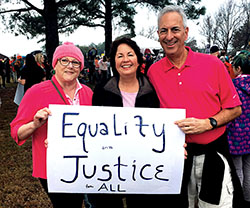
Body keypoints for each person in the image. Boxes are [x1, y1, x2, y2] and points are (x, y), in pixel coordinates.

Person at [147, 5, 244, 208]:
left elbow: (235, 109)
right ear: (158, 34)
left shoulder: (213, 64)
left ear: (186, 32)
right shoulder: (153, 72)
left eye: (175, 29)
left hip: (213, 155)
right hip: (175, 160)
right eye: (163, 31)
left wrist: (208, 123)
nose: (169, 36)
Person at [10, 42, 93, 208]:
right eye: (64, 60)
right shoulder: (36, 92)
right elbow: (16, 132)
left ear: (81, 67)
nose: (70, 66)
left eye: (75, 62)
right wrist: (34, 124)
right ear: (55, 64)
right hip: (51, 168)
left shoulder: (88, 93)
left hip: (84, 164)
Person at [88, 37, 162, 208]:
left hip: (144, 167)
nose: (125, 60)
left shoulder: (152, 89)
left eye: (130, 54)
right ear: (113, 61)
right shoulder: (102, 89)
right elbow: (93, 127)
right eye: (120, 56)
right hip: (109, 167)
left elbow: (160, 129)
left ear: (138, 59)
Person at [227, 50, 250, 206]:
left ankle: (239, 200)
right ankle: (248, 198)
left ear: (239, 68)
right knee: (248, 168)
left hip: (237, 133)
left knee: (237, 169)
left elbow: (230, 110)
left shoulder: (234, 86)